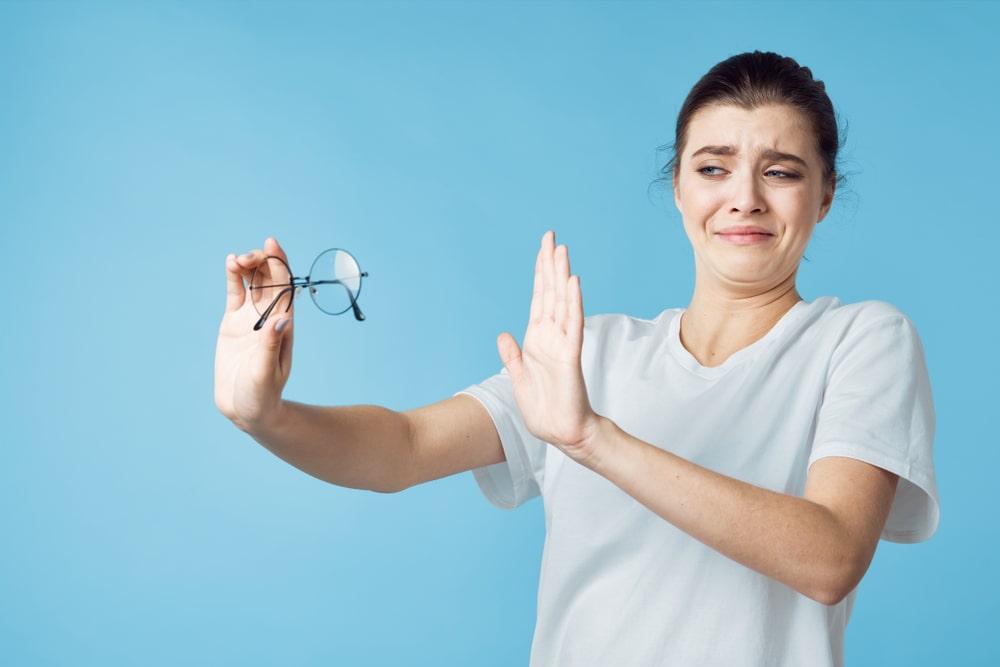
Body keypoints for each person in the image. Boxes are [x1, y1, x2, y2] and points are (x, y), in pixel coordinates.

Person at [214, 50, 940, 667]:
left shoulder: (862, 340)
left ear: (824, 197)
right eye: (714, 167)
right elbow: (403, 447)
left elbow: (831, 556)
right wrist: (266, 416)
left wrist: (594, 438)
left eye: (780, 172)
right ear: (680, 187)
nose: (744, 198)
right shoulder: (591, 352)